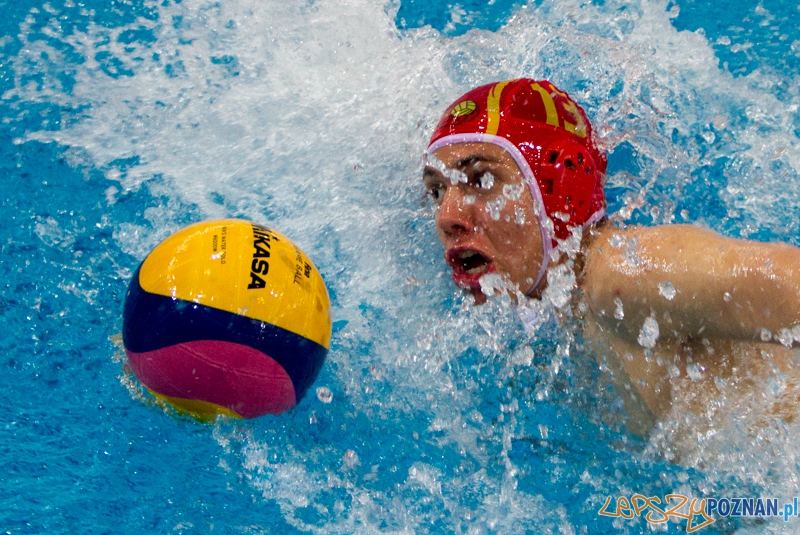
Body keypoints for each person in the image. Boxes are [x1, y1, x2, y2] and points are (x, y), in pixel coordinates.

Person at [423, 78, 800, 435]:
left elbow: (788, 278)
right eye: (438, 190)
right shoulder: (567, 308)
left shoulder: (622, 275)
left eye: (482, 180)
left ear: (556, 189)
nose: (447, 217)